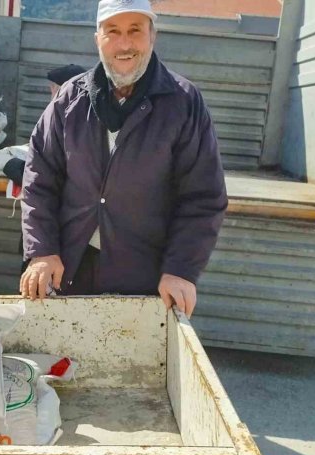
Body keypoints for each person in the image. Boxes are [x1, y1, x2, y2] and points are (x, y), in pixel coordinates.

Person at [19, 0, 228, 317]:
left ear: (152, 36)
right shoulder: (70, 100)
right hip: (69, 271)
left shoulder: (183, 103)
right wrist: (43, 250)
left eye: (135, 30)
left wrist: (180, 270)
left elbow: (202, 198)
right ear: (97, 39)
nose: (125, 44)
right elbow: (40, 180)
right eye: (113, 31)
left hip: (143, 281)